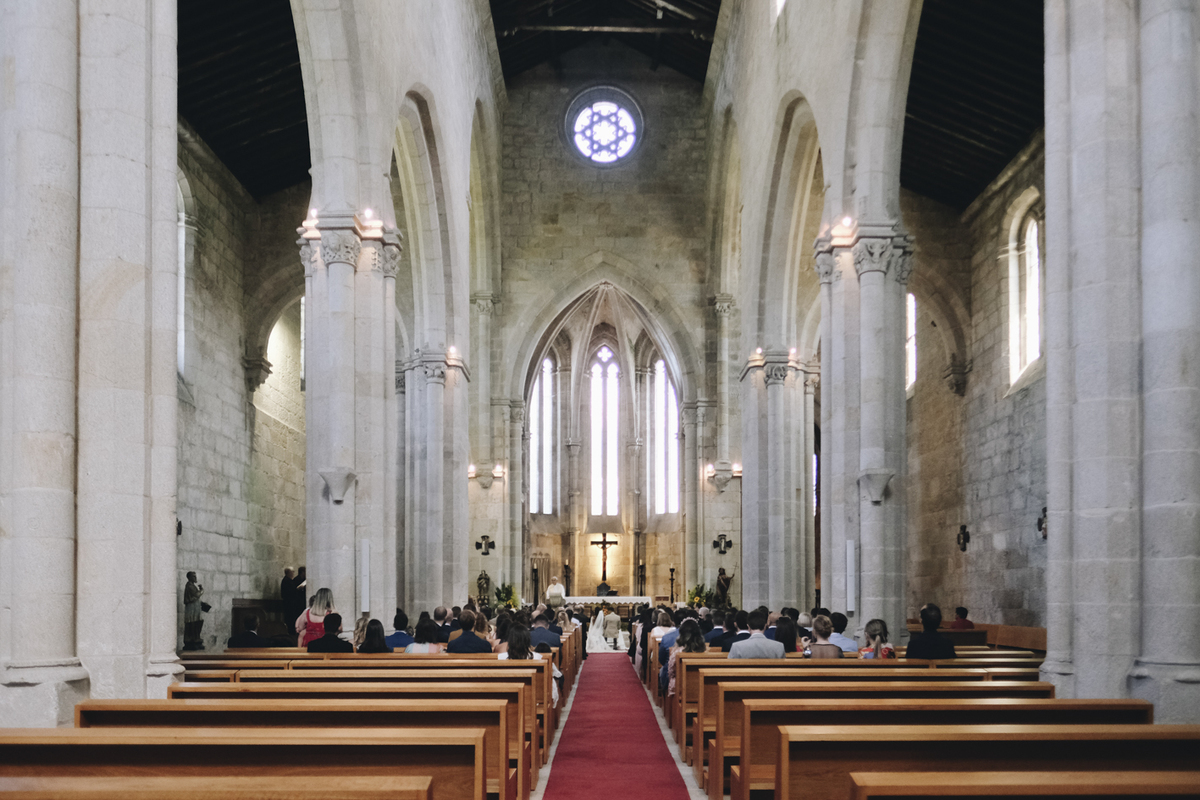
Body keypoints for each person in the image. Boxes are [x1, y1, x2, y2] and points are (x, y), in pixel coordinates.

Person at [501, 624, 561, 706]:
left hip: (506, 699)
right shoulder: (537, 657)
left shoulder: (501, 657)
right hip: (533, 699)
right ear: (528, 640)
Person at [666, 619, 706, 696]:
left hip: (681, 686)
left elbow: (671, 671)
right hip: (701, 686)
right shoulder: (704, 651)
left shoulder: (678, 652)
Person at [182, 571, 205, 650]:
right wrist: (202, 589)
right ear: (189, 578)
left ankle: (196, 637)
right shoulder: (190, 586)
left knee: (197, 622)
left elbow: (195, 598)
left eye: (195, 576)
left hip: (195, 607)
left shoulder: (192, 586)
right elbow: (197, 595)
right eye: (193, 577)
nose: (195, 578)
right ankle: (192, 638)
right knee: (193, 623)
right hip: (192, 609)